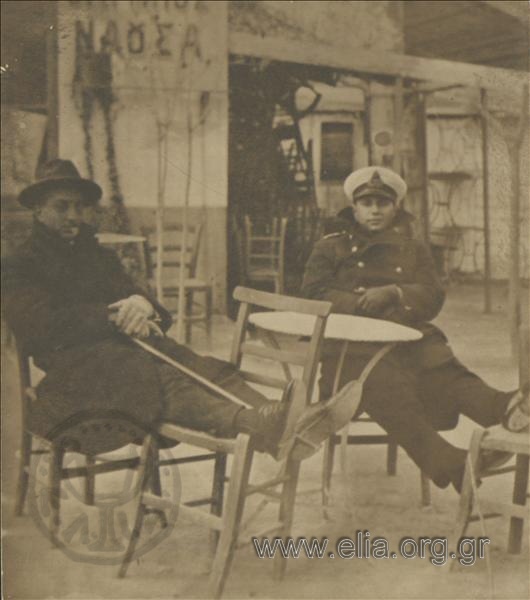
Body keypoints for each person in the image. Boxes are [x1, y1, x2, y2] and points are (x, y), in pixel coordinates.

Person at [2, 159, 347, 461]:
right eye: (62, 207)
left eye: (79, 207)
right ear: (38, 210)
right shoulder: (21, 263)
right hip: (75, 371)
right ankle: (260, 424)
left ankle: (287, 420)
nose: (74, 216)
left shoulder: (96, 255)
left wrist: (141, 305)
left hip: (121, 352)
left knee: (202, 367)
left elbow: (151, 308)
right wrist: (111, 315)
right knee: (162, 376)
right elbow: (38, 326)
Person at [301, 166, 529, 491]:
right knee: (385, 388)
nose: (375, 210)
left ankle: (506, 407)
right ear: (354, 208)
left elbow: (433, 295)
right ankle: (454, 464)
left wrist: (395, 292)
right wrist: (359, 302)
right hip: (350, 352)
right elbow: (312, 293)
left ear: (396, 207)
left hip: (408, 341)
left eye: (383, 202)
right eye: (367, 203)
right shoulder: (330, 247)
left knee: (448, 374)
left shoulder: (413, 248)